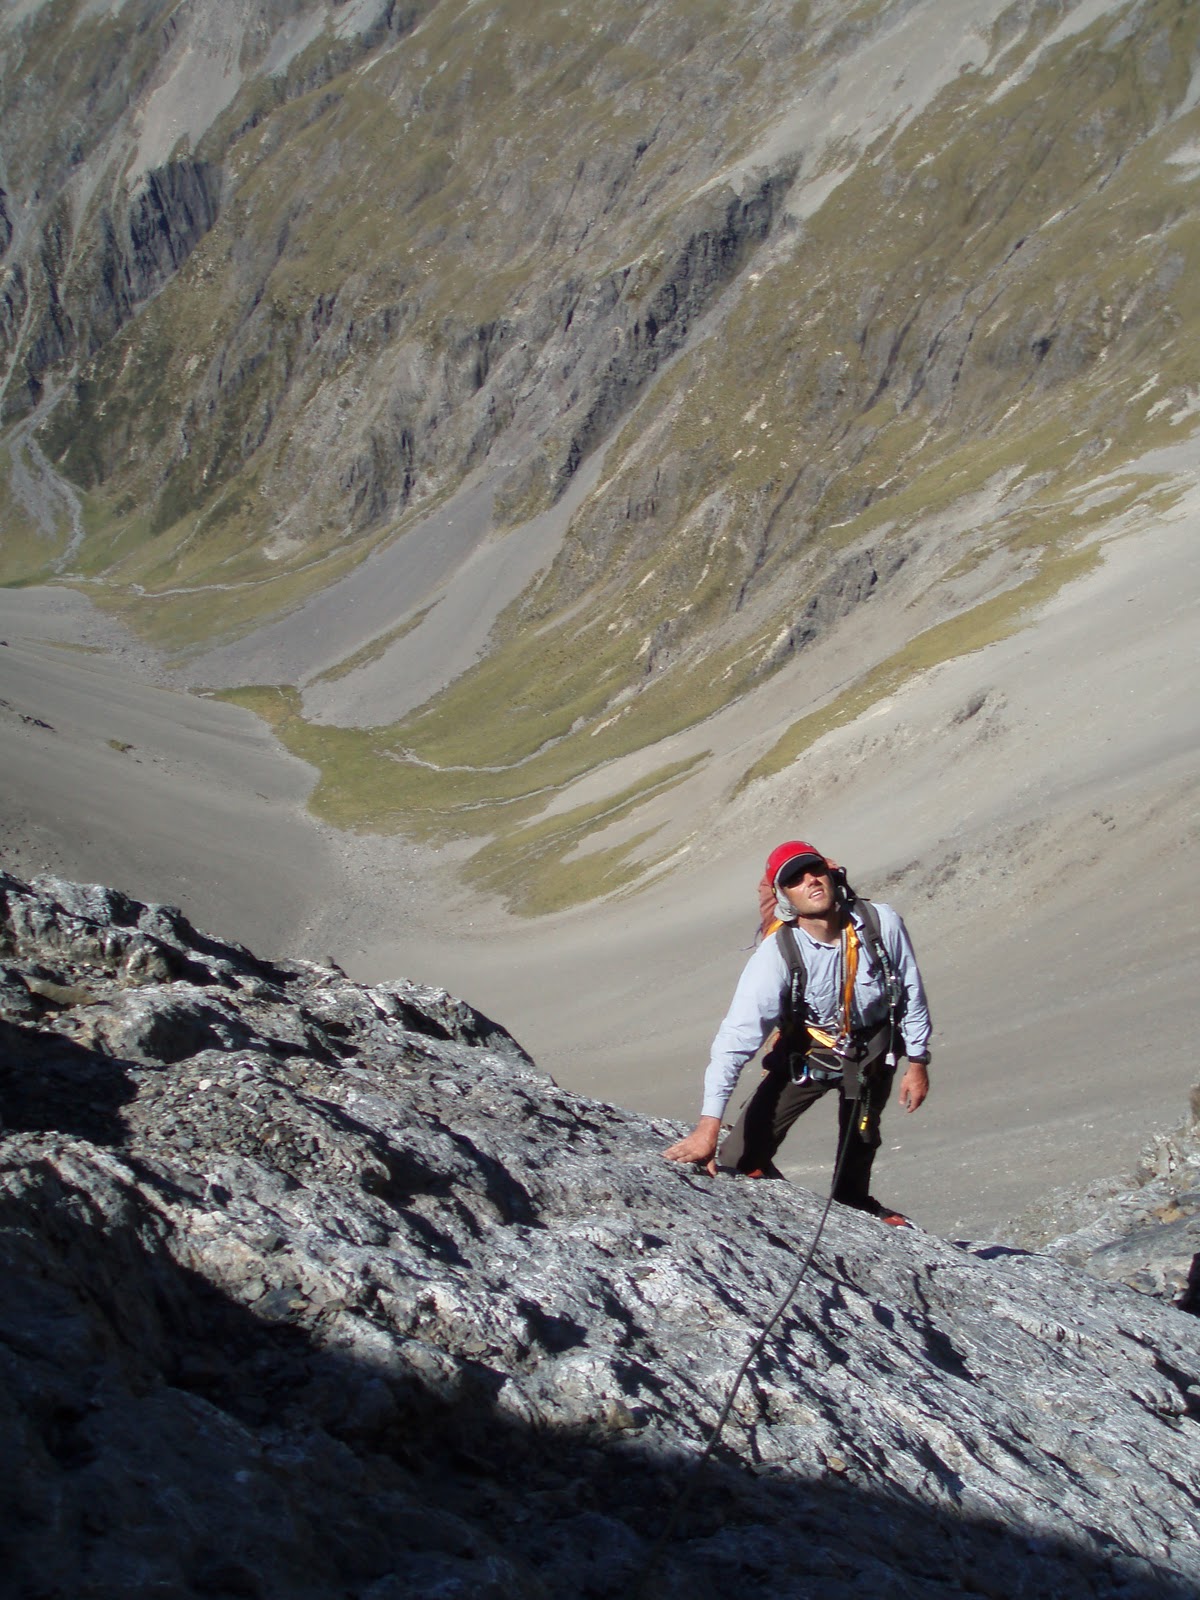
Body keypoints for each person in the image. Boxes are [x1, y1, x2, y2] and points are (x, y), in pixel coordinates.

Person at [663, 841, 931, 1221]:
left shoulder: (881, 923)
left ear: (832, 875)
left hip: (872, 1050)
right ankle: (760, 1160)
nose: (810, 881)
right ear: (785, 898)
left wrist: (918, 1062)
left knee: (862, 1135)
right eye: (795, 879)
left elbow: (910, 991)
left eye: (815, 870)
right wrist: (708, 1126)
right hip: (808, 1055)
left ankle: (854, 1200)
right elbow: (735, 1040)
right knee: (737, 1158)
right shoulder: (777, 955)